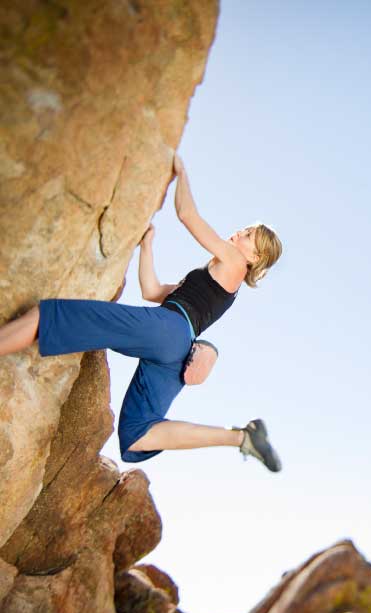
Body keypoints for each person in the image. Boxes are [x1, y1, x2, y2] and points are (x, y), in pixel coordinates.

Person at [0, 154, 283, 472]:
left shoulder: (232, 261)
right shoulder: (216, 282)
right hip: (177, 348)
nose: (239, 234)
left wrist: (182, 173)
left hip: (169, 329)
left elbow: (187, 214)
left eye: (248, 236)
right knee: (138, 436)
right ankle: (243, 438)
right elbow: (152, 291)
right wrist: (147, 245)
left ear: (255, 258)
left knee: (48, 317)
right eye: (244, 229)